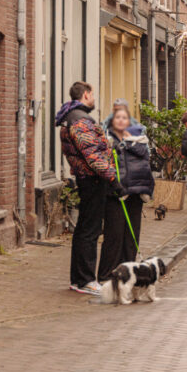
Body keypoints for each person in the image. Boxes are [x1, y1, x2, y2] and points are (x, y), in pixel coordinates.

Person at [55, 81, 126, 296]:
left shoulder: (71, 118)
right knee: (90, 230)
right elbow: (92, 154)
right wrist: (113, 180)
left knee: (84, 229)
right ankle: (85, 280)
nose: (94, 98)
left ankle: (79, 279)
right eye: (93, 94)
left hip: (85, 177)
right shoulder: (80, 120)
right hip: (92, 180)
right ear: (85, 95)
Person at [99, 103, 155, 281]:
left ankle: (128, 273)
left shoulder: (139, 139)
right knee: (114, 235)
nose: (121, 120)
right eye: (118, 117)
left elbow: (145, 159)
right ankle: (107, 275)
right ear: (112, 121)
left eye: (125, 117)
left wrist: (129, 143)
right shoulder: (106, 140)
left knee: (131, 235)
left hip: (136, 193)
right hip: (116, 193)